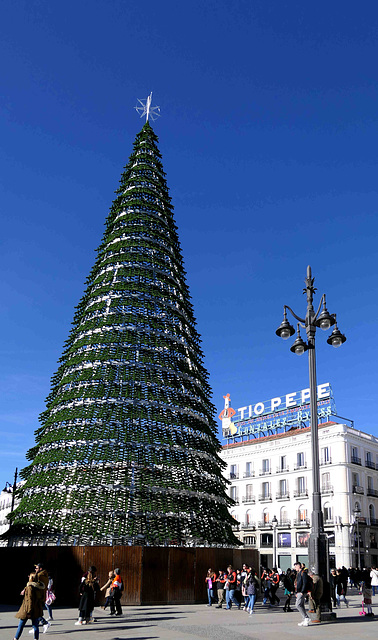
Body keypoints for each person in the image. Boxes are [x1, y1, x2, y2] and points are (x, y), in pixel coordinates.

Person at [14, 572, 45, 640]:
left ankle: (16, 638)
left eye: (29, 576)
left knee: (21, 625)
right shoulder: (40, 586)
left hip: (27, 609)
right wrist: (25, 589)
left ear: (31, 578)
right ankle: (36, 638)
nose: (28, 577)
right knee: (35, 626)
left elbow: (29, 600)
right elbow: (42, 597)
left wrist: (29, 611)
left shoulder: (30, 587)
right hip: (36, 609)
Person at [294, 561, 311, 626]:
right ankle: (304, 619)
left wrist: (302, 591)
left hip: (301, 592)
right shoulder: (299, 573)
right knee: (301, 605)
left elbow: (305, 582)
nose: (295, 568)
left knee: (298, 605)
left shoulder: (303, 573)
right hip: (299, 591)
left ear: (299, 566)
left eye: (296, 566)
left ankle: (306, 617)